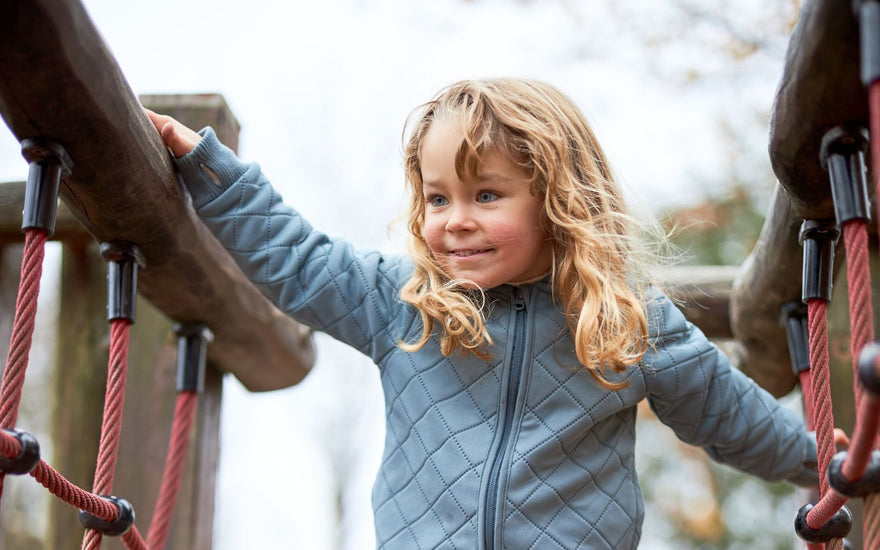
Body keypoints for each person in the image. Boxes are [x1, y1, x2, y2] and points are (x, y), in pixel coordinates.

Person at [146, 78, 817, 550]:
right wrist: (209, 171)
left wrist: (823, 465)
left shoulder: (625, 322)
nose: (455, 222)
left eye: (486, 195)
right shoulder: (403, 303)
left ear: (557, 199)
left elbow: (731, 416)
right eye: (438, 200)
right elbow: (299, 259)